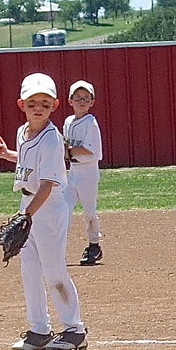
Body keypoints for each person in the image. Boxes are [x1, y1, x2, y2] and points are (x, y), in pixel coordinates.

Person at [0, 73, 89, 350]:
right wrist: (7, 154)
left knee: (53, 269)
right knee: (30, 270)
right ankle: (39, 329)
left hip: (48, 208)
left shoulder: (52, 139)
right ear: (21, 104)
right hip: (29, 206)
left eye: (45, 103)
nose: (38, 108)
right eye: (32, 103)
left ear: (55, 106)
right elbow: (29, 162)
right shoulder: (23, 132)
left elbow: (47, 184)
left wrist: (26, 216)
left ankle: (74, 329)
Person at [63, 79, 105, 266]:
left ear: (92, 102)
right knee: (63, 210)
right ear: (70, 101)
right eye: (78, 97)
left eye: (86, 98)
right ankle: (56, 248)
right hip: (72, 172)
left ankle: (94, 246)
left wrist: (69, 151)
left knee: (89, 212)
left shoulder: (91, 123)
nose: (82, 101)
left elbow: (92, 152)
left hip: (88, 173)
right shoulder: (68, 122)